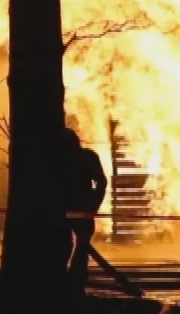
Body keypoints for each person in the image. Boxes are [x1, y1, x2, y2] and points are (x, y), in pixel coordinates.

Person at [61, 124, 108, 302]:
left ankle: (74, 286)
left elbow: (101, 182)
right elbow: (102, 182)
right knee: (71, 248)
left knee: (79, 249)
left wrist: (93, 205)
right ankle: (70, 285)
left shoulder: (85, 158)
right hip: (68, 210)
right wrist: (93, 205)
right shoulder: (66, 159)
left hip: (77, 210)